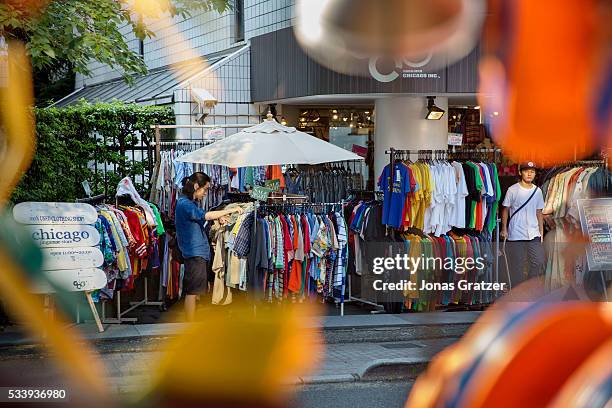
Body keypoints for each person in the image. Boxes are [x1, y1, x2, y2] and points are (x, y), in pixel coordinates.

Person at [175, 172, 243, 321]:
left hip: (198, 252)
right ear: (195, 186)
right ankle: (190, 325)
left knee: (196, 290)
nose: (205, 193)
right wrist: (230, 210)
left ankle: (192, 322)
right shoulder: (185, 204)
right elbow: (206, 216)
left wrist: (219, 218)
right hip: (194, 253)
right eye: (204, 190)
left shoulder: (189, 204)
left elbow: (203, 220)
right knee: (192, 291)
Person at [500, 161, 545, 287]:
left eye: (532, 172)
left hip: (533, 232)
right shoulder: (512, 190)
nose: (529, 174)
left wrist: (541, 233)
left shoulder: (538, 191)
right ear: (520, 173)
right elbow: (505, 209)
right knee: (517, 266)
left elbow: (539, 212)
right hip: (516, 232)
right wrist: (504, 229)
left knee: (538, 261)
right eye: (526, 171)